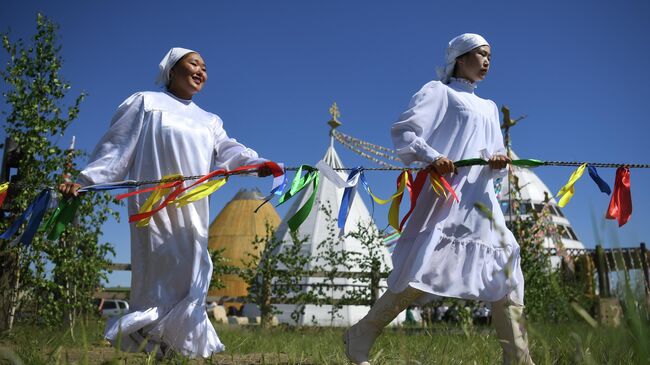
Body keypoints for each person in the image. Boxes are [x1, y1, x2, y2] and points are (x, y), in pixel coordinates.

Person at [59, 47, 272, 358]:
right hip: (154, 208)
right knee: (161, 274)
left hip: (193, 207)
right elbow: (116, 148)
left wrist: (256, 163)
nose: (201, 71)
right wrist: (85, 181)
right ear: (172, 70)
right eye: (193, 64)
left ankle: (181, 349)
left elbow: (227, 148)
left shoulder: (209, 119)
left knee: (195, 272)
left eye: (204, 67)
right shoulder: (146, 103)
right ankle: (154, 343)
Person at [343, 34, 535, 365]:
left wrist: (498, 162)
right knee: (422, 271)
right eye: (480, 55)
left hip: (482, 202)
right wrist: (434, 156)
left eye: (490, 56)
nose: (487, 61)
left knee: (504, 268)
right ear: (461, 57)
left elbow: (494, 152)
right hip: (448, 198)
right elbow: (405, 132)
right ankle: (359, 335)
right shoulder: (439, 91)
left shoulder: (488, 107)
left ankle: (518, 358)